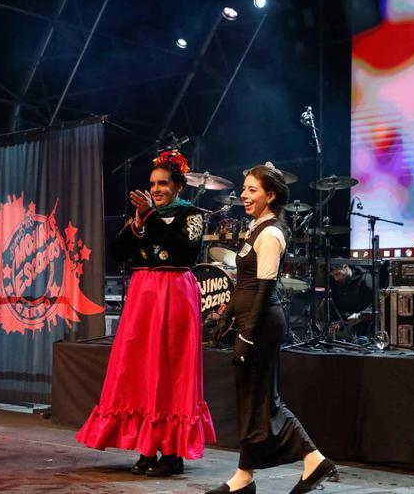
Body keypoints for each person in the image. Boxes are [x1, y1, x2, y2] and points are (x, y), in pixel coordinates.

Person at [75, 150, 216, 476]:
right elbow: (119, 254)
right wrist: (137, 223)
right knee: (140, 367)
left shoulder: (191, 215)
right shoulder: (143, 216)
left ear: (179, 186)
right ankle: (147, 446)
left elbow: (185, 250)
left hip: (175, 291)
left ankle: (172, 451)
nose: (156, 189)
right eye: (153, 183)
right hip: (143, 294)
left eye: (163, 183)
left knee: (170, 367)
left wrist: (150, 217)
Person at [208, 164, 335, 494]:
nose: (244, 195)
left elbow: (264, 290)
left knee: (265, 399)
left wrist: (247, 334)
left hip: (263, 324)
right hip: (252, 319)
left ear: (271, 195)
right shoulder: (254, 227)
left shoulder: (271, 233)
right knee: (254, 398)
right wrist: (225, 318)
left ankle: (312, 458)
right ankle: (246, 474)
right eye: (244, 188)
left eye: (252, 190)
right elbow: (244, 285)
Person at [326, 264, 374, 339]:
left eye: (338, 274)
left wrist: (360, 316)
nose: (336, 278)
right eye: (333, 276)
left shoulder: (365, 278)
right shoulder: (340, 281)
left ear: (345, 267)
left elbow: (376, 303)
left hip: (366, 327)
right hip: (348, 326)